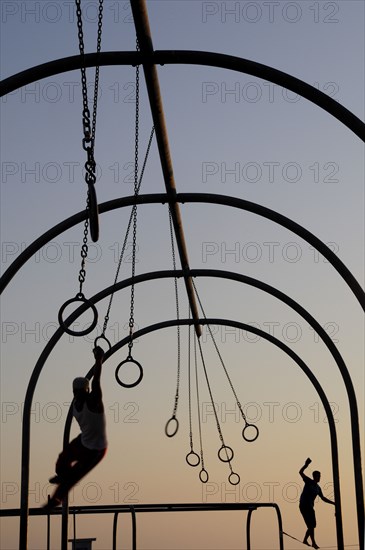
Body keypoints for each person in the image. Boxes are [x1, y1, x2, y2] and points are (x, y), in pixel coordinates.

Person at [43, 346, 107, 509]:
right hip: (84, 441)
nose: (78, 394)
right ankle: (62, 475)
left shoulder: (93, 402)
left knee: (73, 476)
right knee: (62, 459)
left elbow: (97, 381)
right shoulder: (75, 404)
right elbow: (93, 383)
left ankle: (56, 499)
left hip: (96, 449)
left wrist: (99, 360)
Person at [299, 458, 335, 548]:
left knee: (313, 525)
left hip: (310, 507)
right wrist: (306, 465)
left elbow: (323, 498)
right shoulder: (309, 482)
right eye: (318, 476)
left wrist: (334, 503)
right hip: (304, 506)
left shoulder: (318, 488)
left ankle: (305, 540)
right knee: (310, 525)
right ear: (314, 476)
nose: (319, 478)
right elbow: (300, 472)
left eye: (320, 476)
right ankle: (313, 542)